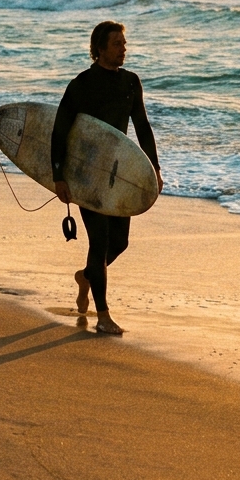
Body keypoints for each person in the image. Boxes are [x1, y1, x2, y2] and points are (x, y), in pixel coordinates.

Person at [51, 21, 163, 336]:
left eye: (124, 43)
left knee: (120, 242)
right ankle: (103, 315)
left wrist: (153, 168)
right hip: (86, 174)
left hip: (119, 174)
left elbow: (142, 125)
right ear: (100, 48)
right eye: (116, 44)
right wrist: (59, 175)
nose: (123, 48)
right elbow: (60, 129)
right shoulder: (82, 84)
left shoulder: (131, 82)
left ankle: (86, 277)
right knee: (99, 242)